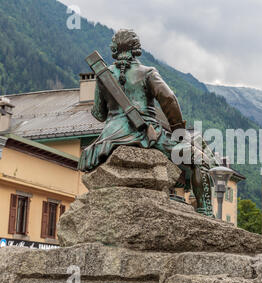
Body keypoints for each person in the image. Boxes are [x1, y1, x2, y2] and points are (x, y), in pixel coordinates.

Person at [79, 29, 214, 216]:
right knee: (200, 159)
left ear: (115, 49)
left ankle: (175, 194)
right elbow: (169, 100)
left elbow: (99, 114)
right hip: (145, 133)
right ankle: (205, 211)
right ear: (137, 49)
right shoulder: (148, 72)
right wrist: (177, 131)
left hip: (110, 136)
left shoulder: (103, 75)